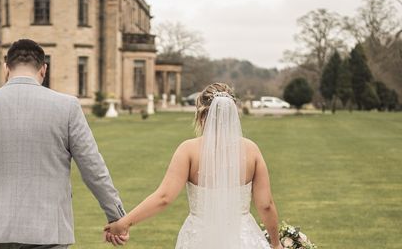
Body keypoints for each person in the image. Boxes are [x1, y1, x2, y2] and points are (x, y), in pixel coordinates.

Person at [0, 39, 128, 249]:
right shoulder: (67, 107)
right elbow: (93, 168)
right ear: (44, 69)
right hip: (50, 233)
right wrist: (116, 216)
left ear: (6, 68)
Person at [105, 82, 284, 249]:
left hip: (199, 237)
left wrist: (124, 223)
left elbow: (164, 197)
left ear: (201, 114)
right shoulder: (251, 150)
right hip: (243, 237)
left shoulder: (189, 150)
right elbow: (266, 204)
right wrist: (276, 245)